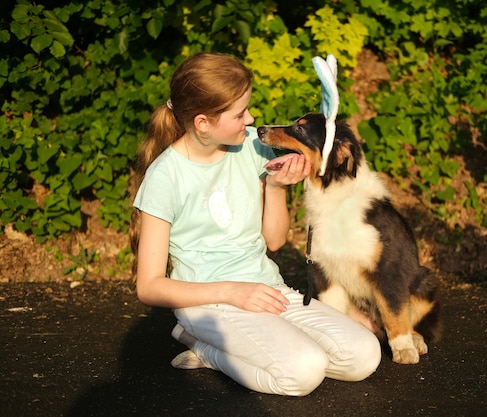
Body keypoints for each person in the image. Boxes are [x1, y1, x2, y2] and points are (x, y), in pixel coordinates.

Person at [129, 52, 381, 396]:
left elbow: (274, 241)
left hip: (268, 289)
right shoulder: (165, 177)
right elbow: (149, 286)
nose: (250, 118)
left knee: (364, 356)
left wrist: (275, 188)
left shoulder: (249, 146)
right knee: (304, 372)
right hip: (209, 305)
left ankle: (258, 349)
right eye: (239, 113)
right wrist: (232, 291)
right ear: (203, 123)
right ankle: (206, 347)